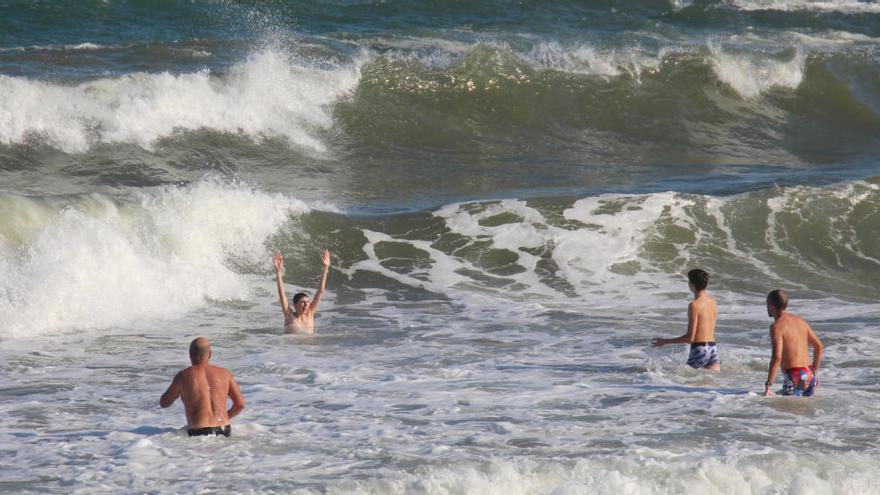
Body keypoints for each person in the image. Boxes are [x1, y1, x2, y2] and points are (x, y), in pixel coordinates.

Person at [160, 337, 245, 437]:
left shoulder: (184, 376)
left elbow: (164, 403)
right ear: (210, 354)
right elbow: (240, 404)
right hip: (224, 428)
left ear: (190, 355)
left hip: (199, 432)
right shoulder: (225, 374)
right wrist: (225, 416)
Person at [651, 269, 720, 370]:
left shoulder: (694, 305)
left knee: (684, 381)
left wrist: (665, 341)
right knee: (709, 383)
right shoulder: (713, 303)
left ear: (691, 284)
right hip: (713, 348)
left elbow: (690, 338)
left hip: (699, 349)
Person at [763, 289, 824, 397]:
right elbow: (819, 346)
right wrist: (815, 372)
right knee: (802, 411)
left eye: (767, 303)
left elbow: (777, 357)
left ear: (771, 305)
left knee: (789, 411)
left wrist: (768, 385)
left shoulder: (777, 327)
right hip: (809, 374)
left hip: (795, 376)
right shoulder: (800, 321)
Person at [273, 248, 330, 334]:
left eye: (307, 301)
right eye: (303, 302)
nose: (307, 304)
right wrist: (278, 271)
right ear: (295, 305)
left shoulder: (310, 313)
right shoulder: (289, 315)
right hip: (290, 347)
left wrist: (326, 267)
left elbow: (320, 291)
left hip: (309, 347)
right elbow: (281, 294)